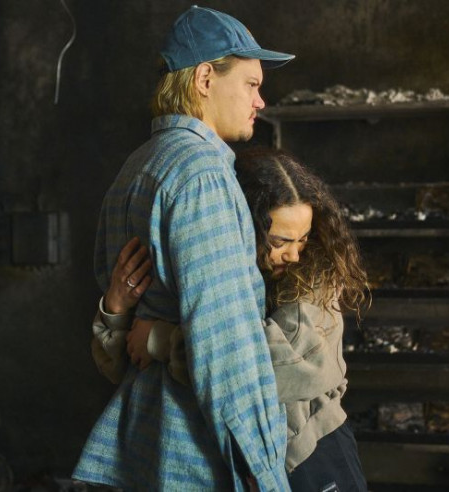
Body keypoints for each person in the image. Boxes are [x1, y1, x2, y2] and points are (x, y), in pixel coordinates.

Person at [72, 5, 295, 491]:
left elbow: (119, 333)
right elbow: (226, 350)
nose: (261, 101)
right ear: (204, 79)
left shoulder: (136, 167)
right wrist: (264, 474)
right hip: (194, 454)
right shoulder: (202, 176)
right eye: (251, 84)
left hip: (143, 443)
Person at [93, 147, 370, 491]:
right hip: (239, 460)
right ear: (245, 226)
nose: (295, 254)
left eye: (303, 239)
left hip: (312, 451)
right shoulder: (219, 277)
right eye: (280, 241)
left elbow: (277, 369)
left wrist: (163, 341)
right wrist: (116, 308)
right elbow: (125, 370)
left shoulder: (315, 279)